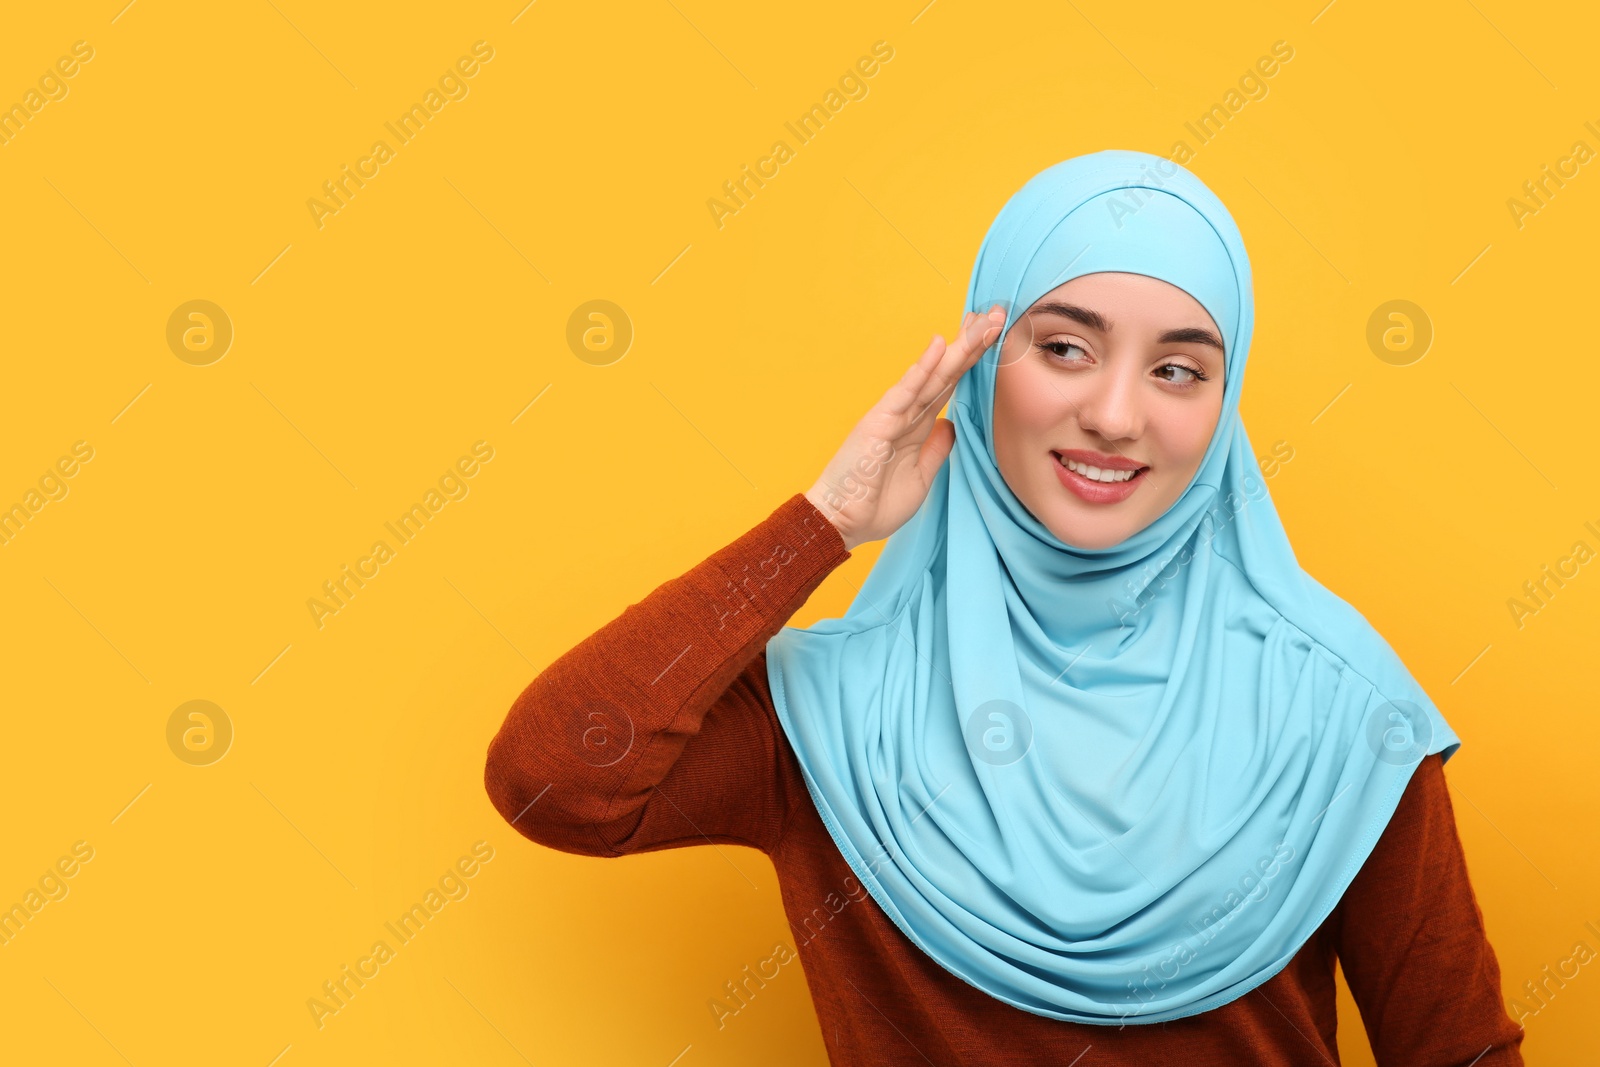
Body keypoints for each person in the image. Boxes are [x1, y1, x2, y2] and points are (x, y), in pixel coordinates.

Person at [484, 150, 1525, 1064]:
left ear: (1224, 403)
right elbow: (553, 781)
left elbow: (1458, 1051)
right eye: (1064, 346)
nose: (1114, 415)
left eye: (1177, 368)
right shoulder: (834, 712)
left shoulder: (1335, 703)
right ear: (982, 373)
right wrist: (823, 524)